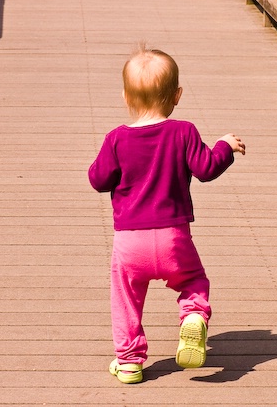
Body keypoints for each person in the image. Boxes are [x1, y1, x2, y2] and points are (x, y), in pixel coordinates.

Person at [88, 45, 246, 384]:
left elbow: (98, 179)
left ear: (125, 97)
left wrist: (109, 162)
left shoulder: (116, 139)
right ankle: (192, 316)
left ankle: (129, 361)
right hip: (174, 236)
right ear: (177, 95)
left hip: (130, 242)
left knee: (126, 297)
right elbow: (205, 169)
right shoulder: (184, 131)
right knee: (193, 282)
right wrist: (224, 145)